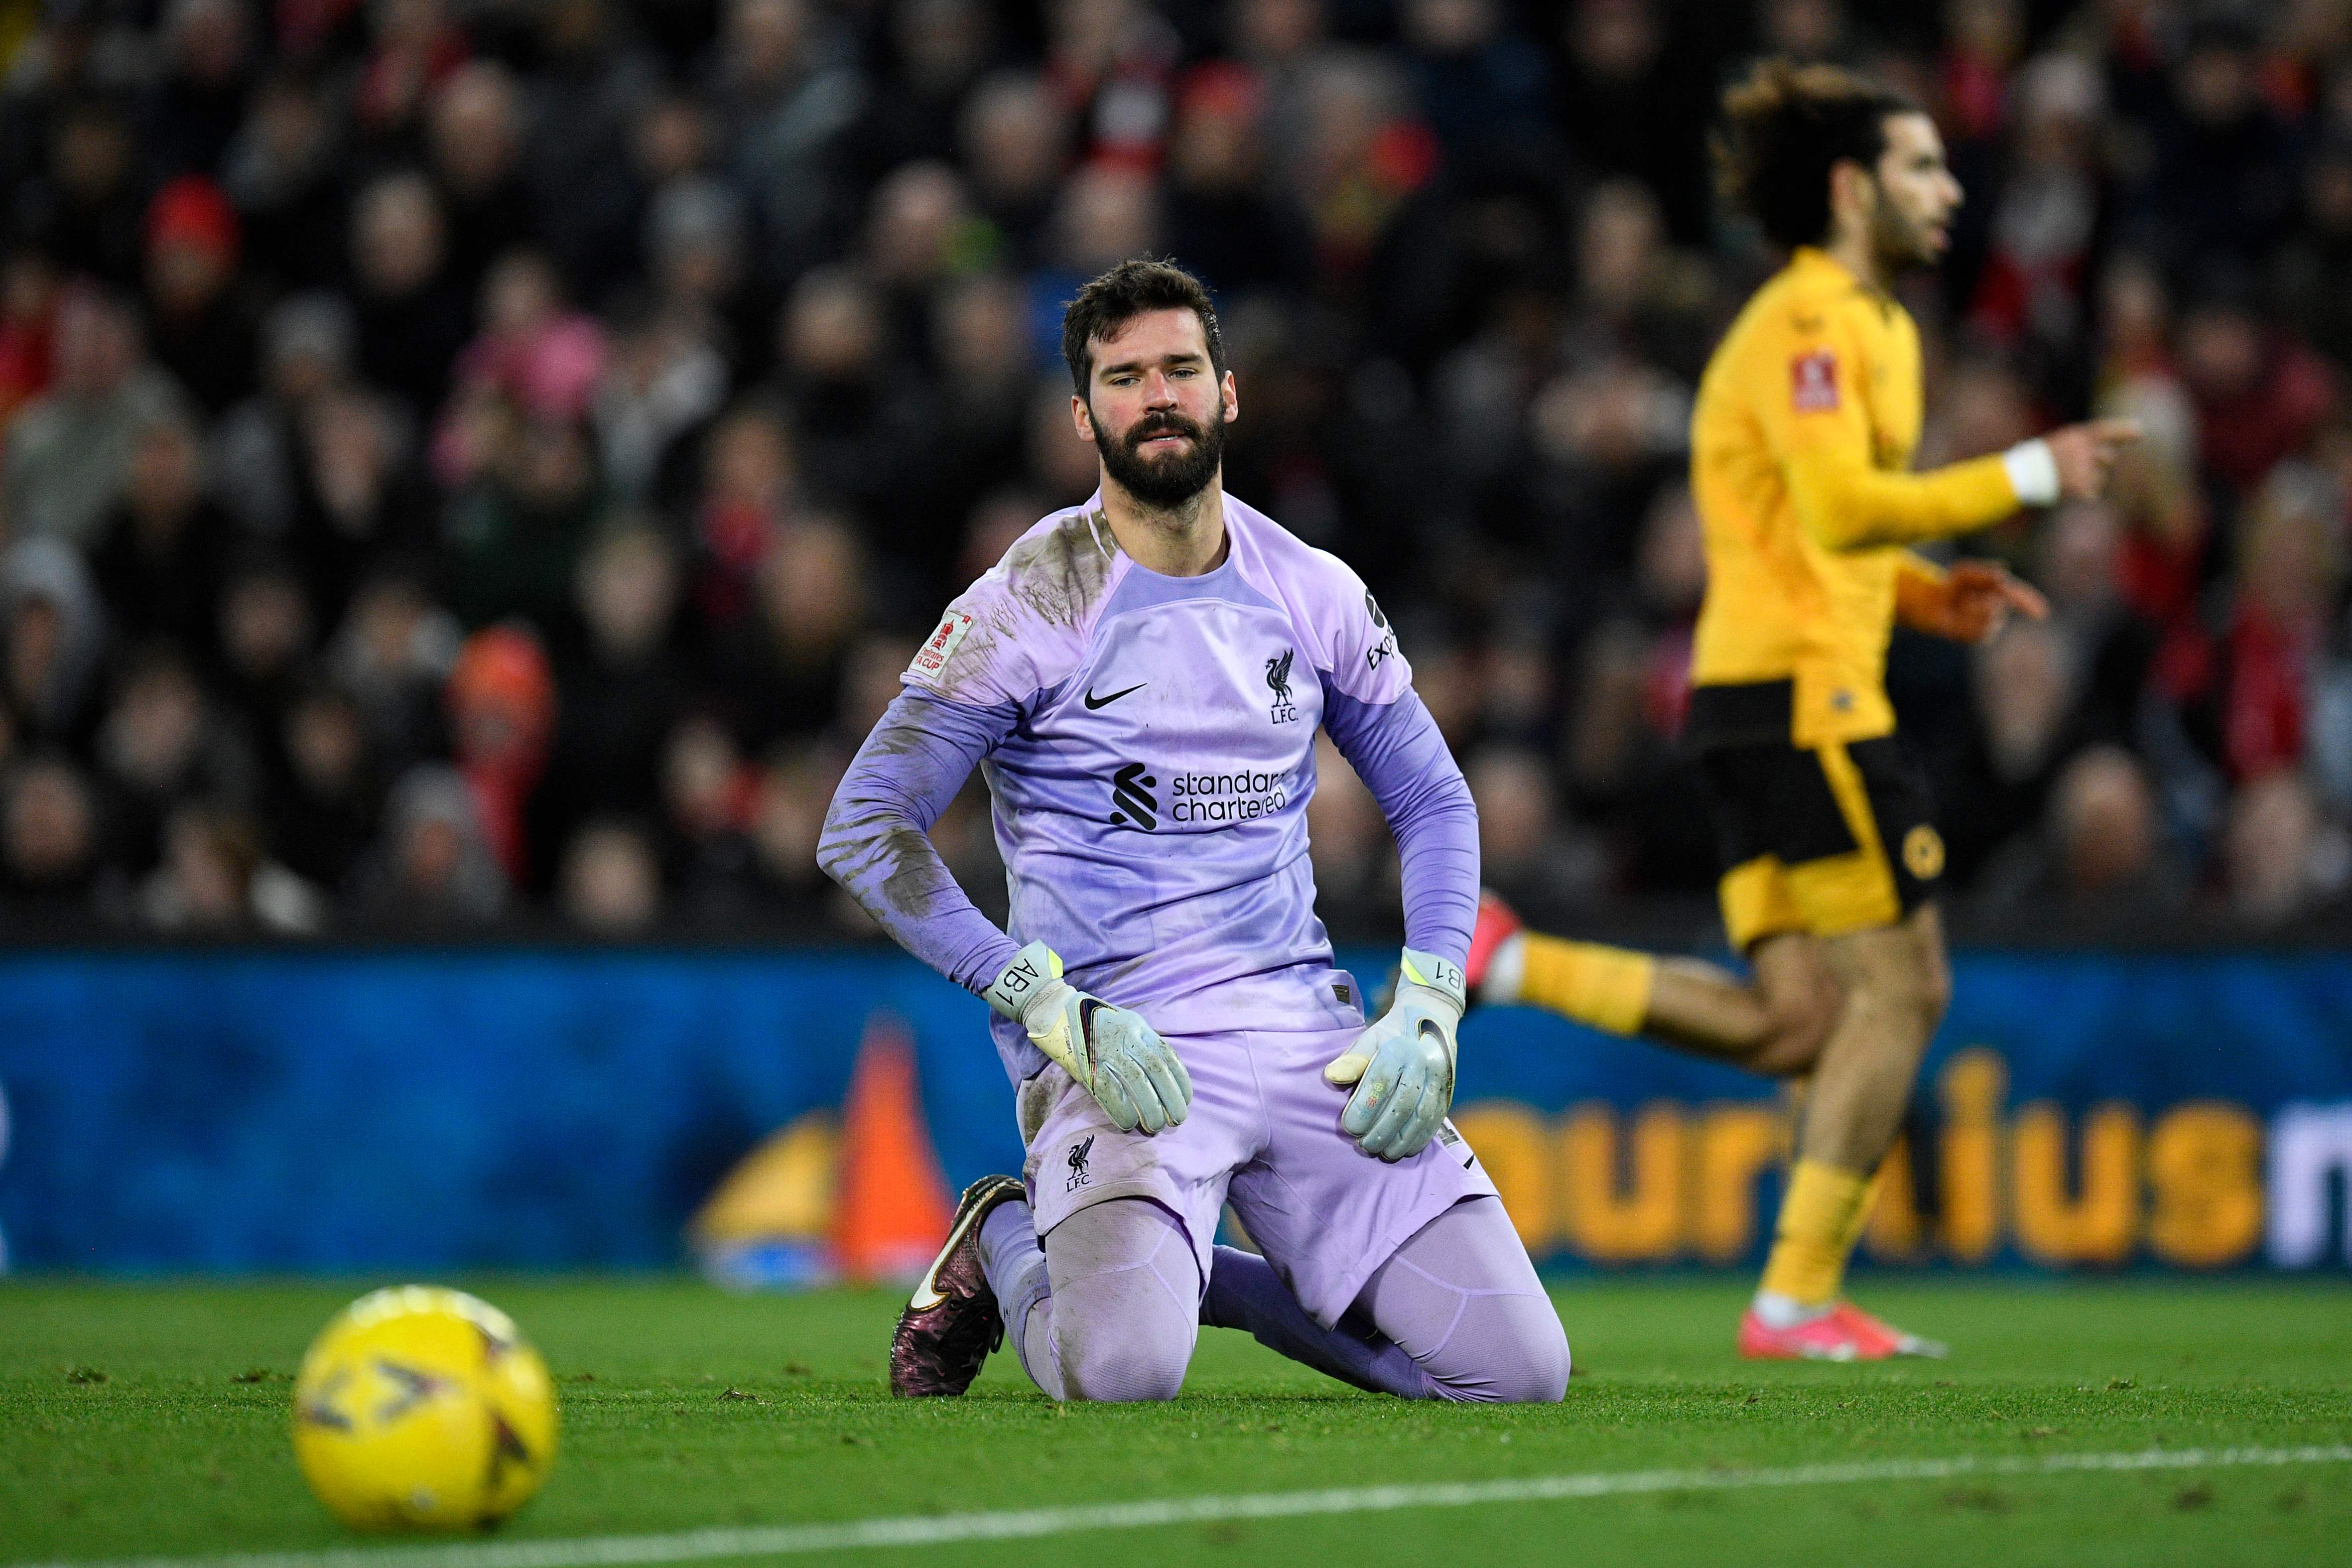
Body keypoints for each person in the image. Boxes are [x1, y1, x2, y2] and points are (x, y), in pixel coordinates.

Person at [1470, 61, 2138, 1361]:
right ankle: (1792, 1296)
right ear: (1847, 187)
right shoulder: (1809, 323)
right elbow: (1834, 504)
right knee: (1905, 984)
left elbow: (1803, 532)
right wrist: (2023, 468)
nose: (1948, 191)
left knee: (1796, 1019)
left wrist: (1920, 592)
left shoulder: (1867, 325)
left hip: (1757, 695)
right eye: (1920, 168)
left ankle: (1514, 959)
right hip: (1801, 706)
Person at [818, 259, 1567, 1404]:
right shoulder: (1032, 600)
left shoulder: (1309, 587)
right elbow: (866, 826)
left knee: (1516, 1376)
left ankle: (1189, 1272)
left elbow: (1434, 799)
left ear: (1229, 391)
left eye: (1179, 368)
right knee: (1121, 1374)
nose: (1155, 395)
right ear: (1084, 415)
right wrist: (1041, 1000)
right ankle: (1008, 1236)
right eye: (1123, 378)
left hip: (1305, 1029)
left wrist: (1429, 997)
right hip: (1126, 1048)